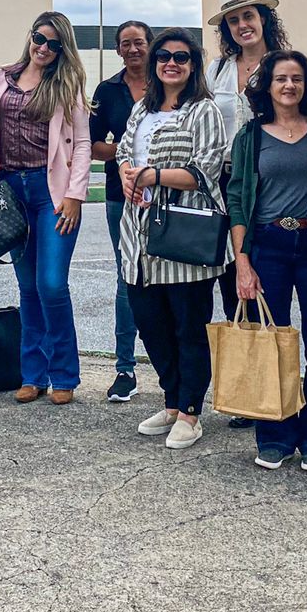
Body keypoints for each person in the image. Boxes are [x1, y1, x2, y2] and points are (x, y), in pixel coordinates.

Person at [116, 29, 230, 450]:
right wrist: (127, 173)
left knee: (188, 327)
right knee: (152, 324)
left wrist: (153, 176)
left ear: (193, 64)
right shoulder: (141, 109)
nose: (171, 63)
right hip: (138, 234)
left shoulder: (204, 110)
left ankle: (190, 411)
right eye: (163, 56)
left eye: (181, 57)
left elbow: (204, 171)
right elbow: (125, 152)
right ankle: (170, 400)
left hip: (184, 235)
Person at [228, 49, 307, 472]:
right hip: (268, 245)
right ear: (268, 86)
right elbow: (237, 200)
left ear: (306, 84)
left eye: (296, 78)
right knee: (272, 343)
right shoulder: (251, 136)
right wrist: (243, 261)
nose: (289, 85)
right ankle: (275, 435)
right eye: (280, 79)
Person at [0, 11, 91, 404]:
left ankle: (64, 375)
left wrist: (75, 195)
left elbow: (82, 143)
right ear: (30, 37)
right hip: (10, 192)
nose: (43, 48)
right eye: (39, 38)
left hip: (52, 194)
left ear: (63, 50)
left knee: (51, 284)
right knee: (27, 287)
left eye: (53, 44)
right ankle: (33, 375)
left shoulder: (67, 84)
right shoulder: (3, 77)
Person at [206, 0, 290, 330]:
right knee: (231, 272)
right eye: (233, 20)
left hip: (265, 178)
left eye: (248, 16)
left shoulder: (282, 66)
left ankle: (274, 348)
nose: (242, 25)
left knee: (267, 272)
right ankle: (243, 346)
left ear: (263, 19)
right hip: (223, 178)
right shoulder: (216, 70)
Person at [89, 19, 151, 402]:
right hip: (120, 195)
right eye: (125, 43)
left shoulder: (168, 83)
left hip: (167, 196)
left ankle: (170, 367)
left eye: (139, 42)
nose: (133, 49)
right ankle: (125, 368)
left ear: (150, 45)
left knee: (168, 280)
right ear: (118, 50)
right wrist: (127, 153)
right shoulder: (107, 91)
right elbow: (93, 144)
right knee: (127, 278)